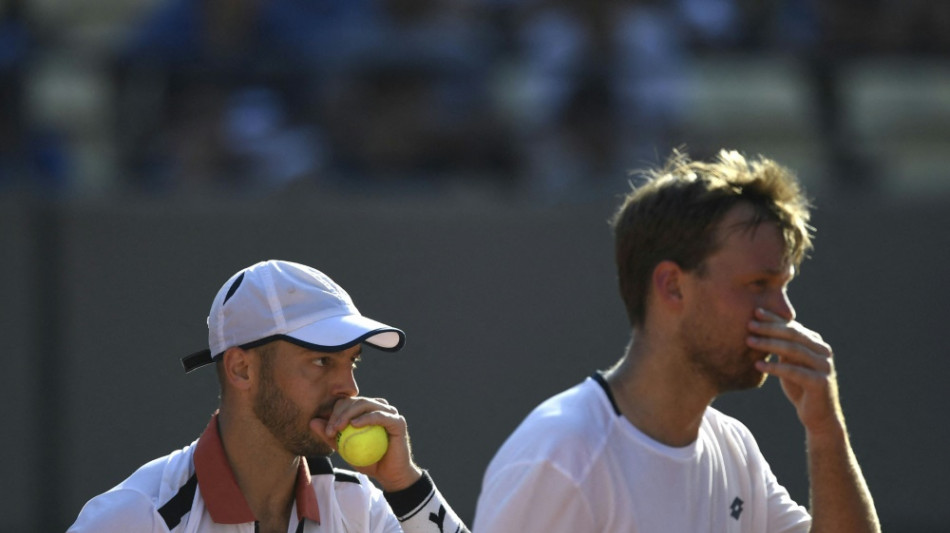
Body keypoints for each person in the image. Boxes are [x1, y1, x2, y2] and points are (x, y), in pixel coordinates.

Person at [473, 149, 880, 532]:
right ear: (672, 286)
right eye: (758, 284)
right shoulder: (562, 457)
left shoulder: (734, 450)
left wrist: (826, 431)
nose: (785, 312)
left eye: (782, 286)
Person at [69, 259, 468, 533]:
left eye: (353, 362)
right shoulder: (135, 517)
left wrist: (406, 485)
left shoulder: (358, 506)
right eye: (321, 361)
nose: (348, 387)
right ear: (242, 369)